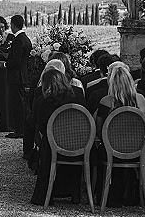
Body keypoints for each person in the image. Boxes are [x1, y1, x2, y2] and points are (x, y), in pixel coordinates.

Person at [30, 69, 87, 205]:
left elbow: (40, 126)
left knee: (46, 141)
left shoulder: (44, 101)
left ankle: (46, 193)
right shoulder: (78, 97)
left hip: (52, 147)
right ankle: (75, 193)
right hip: (79, 145)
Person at [95, 61, 145, 207]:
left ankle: (105, 195)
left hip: (111, 150)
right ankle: (136, 196)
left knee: (99, 151)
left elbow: (99, 130)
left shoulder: (106, 102)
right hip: (138, 151)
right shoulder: (141, 100)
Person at [4, 14, 32, 139]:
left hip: (17, 76)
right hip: (22, 75)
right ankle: (21, 129)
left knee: (17, 104)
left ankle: (19, 130)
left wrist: (5, 64)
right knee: (21, 103)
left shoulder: (18, 40)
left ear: (13, 25)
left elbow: (15, 60)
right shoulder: (25, 38)